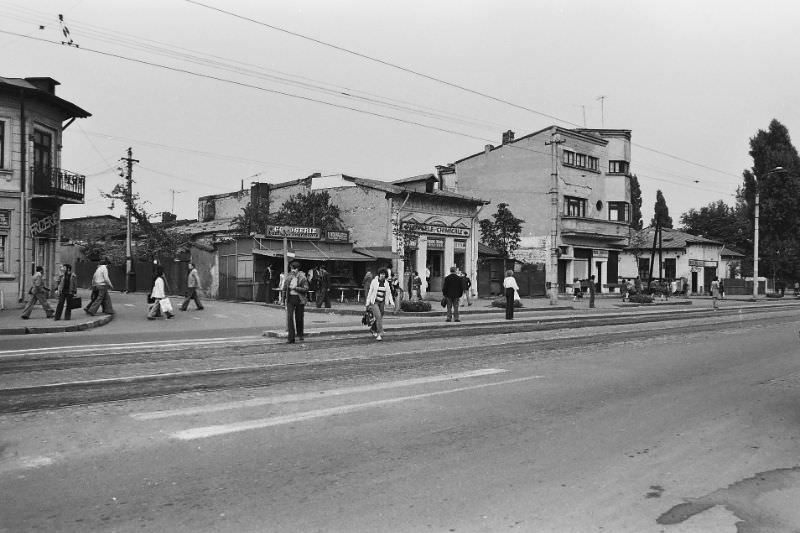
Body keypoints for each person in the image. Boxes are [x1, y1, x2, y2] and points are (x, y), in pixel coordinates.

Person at [283, 261, 309, 344]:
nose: (292, 270)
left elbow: (306, 289)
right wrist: (283, 298)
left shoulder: (302, 277)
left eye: (293, 268)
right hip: (290, 299)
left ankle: (300, 334)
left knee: (299, 318)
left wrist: (296, 288)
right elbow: (285, 287)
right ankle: (291, 338)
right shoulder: (289, 276)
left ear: (297, 269)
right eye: (291, 268)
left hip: (299, 299)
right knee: (290, 318)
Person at [365, 268, 394, 341]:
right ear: (379, 274)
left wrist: (391, 302)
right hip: (374, 302)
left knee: (380, 317)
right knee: (378, 317)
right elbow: (370, 292)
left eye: (384, 274)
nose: (382, 275)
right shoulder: (374, 282)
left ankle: (373, 329)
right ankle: (379, 333)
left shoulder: (386, 283)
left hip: (382, 302)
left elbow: (389, 293)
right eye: (381, 274)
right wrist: (368, 302)